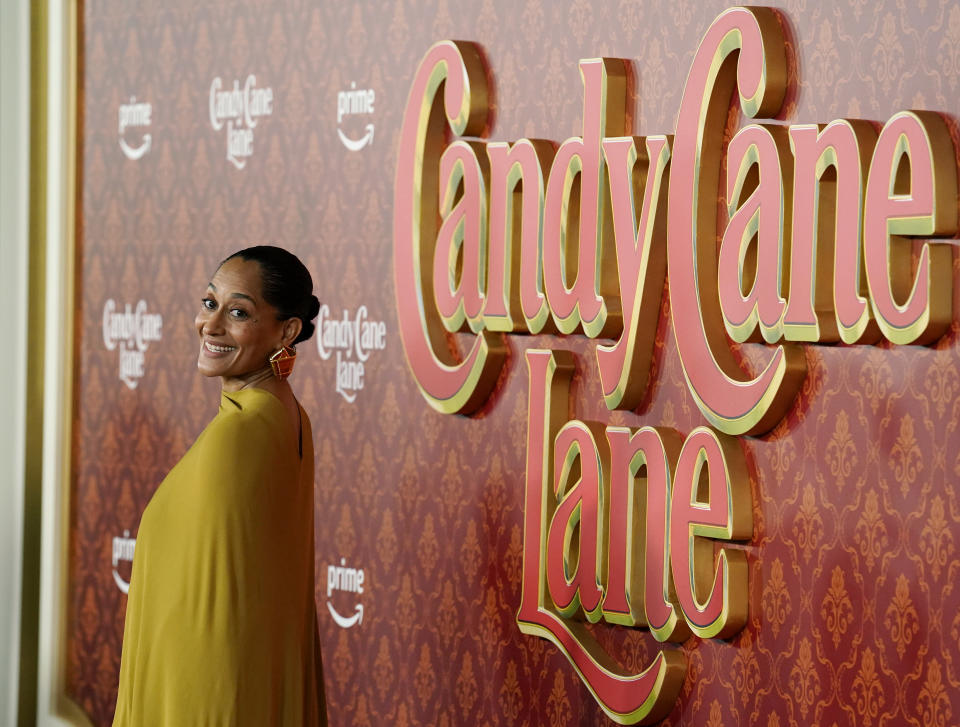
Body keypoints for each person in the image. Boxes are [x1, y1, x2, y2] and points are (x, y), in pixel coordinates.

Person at [113, 246, 327, 726]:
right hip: (226, 687)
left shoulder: (242, 432)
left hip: (203, 698)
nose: (210, 325)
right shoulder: (285, 415)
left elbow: (213, 619)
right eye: (210, 303)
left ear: (286, 331)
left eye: (238, 312)